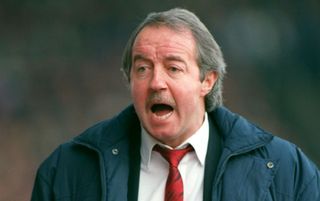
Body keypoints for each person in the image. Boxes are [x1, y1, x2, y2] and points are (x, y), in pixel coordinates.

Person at [31, 8, 320, 201]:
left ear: (207, 80)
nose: (156, 82)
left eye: (173, 68)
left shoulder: (285, 169)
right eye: (142, 69)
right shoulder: (68, 169)